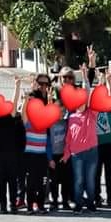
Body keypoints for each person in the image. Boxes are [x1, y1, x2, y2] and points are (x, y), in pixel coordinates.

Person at [62, 62, 98, 213]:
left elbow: (87, 91)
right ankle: (78, 204)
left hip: (91, 152)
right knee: (78, 180)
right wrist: (66, 154)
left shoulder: (92, 113)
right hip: (76, 154)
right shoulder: (72, 117)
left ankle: (91, 203)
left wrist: (84, 76)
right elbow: (69, 138)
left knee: (90, 180)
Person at [0, 75, 25, 214]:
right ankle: (3, 206)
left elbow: (15, 101)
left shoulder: (10, 116)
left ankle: (12, 205)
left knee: (12, 179)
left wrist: (17, 86)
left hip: (11, 153)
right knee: (1, 180)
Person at [22, 75, 55, 215]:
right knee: (30, 182)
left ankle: (41, 206)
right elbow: (23, 113)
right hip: (30, 155)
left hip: (42, 155)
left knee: (42, 182)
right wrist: (26, 100)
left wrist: (50, 99)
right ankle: (30, 207)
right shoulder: (28, 122)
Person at [48, 67, 74, 211]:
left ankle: (65, 201)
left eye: (62, 110)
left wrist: (67, 154)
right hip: (53, 155)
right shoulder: (50, 123)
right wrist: (49, 157)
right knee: (53, 180)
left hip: (64, 155)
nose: (60, 111)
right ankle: (54, 201)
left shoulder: (66, 122)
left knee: (65, 179)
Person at [93, 67, 111, 209]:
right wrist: (100, 81)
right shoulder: (93, 109)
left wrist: (110, 82)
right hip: (96, 145)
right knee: (96, 173)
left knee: (109, 172)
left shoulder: (108, 108)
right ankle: (96, 196)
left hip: (108, 144)